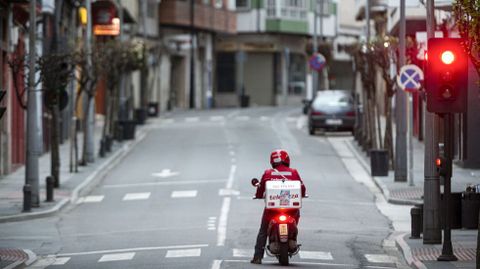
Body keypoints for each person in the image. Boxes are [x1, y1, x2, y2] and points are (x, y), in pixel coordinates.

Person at [250, 149, 306, 264]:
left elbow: (260, 190)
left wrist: (258, 195)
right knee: (297, 215)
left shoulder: (268, 173)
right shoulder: (294, 172)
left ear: (272, 161)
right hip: (291, 210)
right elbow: (302, 188)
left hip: (272, 210)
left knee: (263, 231)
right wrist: (303, 194)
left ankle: (257, 257)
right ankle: (292, 234)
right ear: (287, 160)